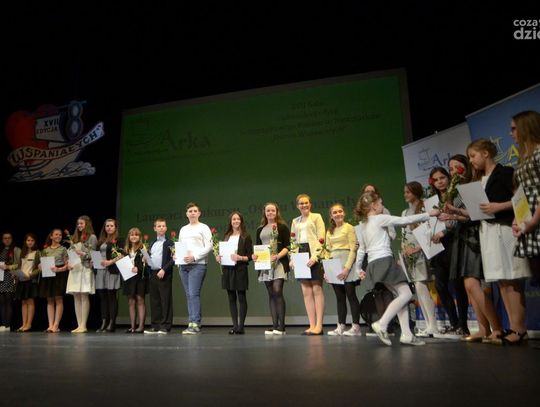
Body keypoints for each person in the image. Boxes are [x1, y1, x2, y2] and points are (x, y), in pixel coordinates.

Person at [355, 191, 439, 346]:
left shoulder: (363, 225)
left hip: (373, 264)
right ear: (373, 206)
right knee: (406, 294)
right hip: (384, 261)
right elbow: (404, 220)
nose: (382, 206)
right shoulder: (379, 218)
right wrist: (429, 214)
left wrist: (358, 268)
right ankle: (382, 324)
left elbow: (361, 249)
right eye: (381, 203)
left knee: (400, 296)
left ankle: (407, 334)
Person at [468, 139, 531, 345]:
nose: (471, 161)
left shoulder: (505, 173)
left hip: (504, 229)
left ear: (486, 153)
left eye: (473, 156)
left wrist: (499, 206)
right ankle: (513, 327)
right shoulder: (480, 180)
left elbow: (521, 199)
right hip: (488, 231)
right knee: (502, 281)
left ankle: (519, 329)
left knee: (511, 279)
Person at [441, 154, 502, 343]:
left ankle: (497, 328)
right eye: (451, 169)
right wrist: (451, 215)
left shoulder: (474, 185)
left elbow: (477, 214)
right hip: (462, 236)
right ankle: (483, 329)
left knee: (472, 284)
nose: (454, 171)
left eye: (457, 167)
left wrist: (456, 213)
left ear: (466, 166)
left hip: (474, 235)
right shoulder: (455, 191)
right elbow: (461, 218)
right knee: (469, 288)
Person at [429, 166, 470, 338]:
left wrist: (444, 232)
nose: (440, 182)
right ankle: (454, 324)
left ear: (448, 178)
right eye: (436, 180)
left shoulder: (457, 196)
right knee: (440, 285)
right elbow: (430, 223)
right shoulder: (432, 201)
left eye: (442, 178)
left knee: (457, 285)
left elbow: (462, 219)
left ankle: (463, 326)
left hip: (454, 242)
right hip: (438, 248)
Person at [400, 182, 438, 337]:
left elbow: (428, 231)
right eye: (405, 192)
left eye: (408, 192)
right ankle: (429, 325)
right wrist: (403, 250)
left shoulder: (424, 208)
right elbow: (404, 234)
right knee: (418, 288)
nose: (405, 195)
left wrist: (417, 248)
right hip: (409, 254)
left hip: (422, 252)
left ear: (415, 192)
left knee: (421, 286)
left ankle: (433, 325)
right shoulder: (404, 212)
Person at [253, 202, 290, 335]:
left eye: (272, 210)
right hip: (264, 264)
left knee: (277, 291)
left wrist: (278, 256)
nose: (270, 213)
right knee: (271, 294)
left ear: (277, 212)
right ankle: (275, 326)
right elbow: (258, 247)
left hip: (279, 262)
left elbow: (288, 246)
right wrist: (254, 256)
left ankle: (282, 327)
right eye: (268, 210)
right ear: (264, 212)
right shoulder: (260, 229)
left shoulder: (282, 227)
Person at [290, 194, 325, 335]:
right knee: (306, 291)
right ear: (297, 206)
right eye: (301, 203)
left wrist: (315, 257)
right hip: (300, 253)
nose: (304, 205)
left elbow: (321, 238)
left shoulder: (316, 217)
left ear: (310, 204)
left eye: (306, 203)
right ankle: (312, 325)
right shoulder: (295, 221)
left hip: (313, 252)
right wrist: (293, 257)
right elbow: (293, 240)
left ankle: (319, 325)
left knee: (316, 288)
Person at [512, 111, 540, 283]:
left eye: (514, 128)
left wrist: (534, 220)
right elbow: (521, 194)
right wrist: (517, 219)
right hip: (529, 223)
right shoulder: (523, 159)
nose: (511, 133)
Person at [325, 203, 361, 336]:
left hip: (347, 263)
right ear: (331, 216)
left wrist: (347, 268)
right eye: (335, 212)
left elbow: (353, 249)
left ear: (344, 213)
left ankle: (356, 327)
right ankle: (340, 326)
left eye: (340, 211)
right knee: (339, 297)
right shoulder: (329, 231)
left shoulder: (349, 227)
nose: (338, 214)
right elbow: (327, 251)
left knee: (351, 295)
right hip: (334, 264)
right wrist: (327, 270)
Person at [215, 212, 253, 334]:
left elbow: (250, 256)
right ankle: (235, 326)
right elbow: (222, 253)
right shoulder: (226, 236)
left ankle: (241, 326)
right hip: (227, 269)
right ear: (230, 222)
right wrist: (218, 257)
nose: (236, 221)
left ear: (241, 221)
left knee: (241, 297)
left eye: (238, 219)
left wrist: (240, 257)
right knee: (231, 298)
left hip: (240, 269)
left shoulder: (246, 236)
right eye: (233, 219)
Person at [178, 203, 212, 335]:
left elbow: (209, 246)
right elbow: (180, 246)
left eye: (195, 211)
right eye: (190, 211)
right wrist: (177, 255)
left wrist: (194, 257)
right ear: (186, 214)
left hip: (198, 264)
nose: (192, 213)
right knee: (188, 295)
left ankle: (196, 323)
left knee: (193, 293)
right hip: (183, 265)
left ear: (199, 213)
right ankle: (191, 322)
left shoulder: (203, 227)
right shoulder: (183, 229)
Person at [66, 215, 97, 333]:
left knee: (84, 296)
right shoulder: (74, 238)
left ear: (87, 224)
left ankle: (84, 325)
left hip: (85, 268)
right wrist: (68, 263)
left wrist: (83, 254)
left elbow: (93, 254)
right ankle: (79, 325)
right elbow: (69, 254)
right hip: (75, 269)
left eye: (81, 223)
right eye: (78, 224)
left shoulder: (92, 237)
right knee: (76, 296)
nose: (79, 225)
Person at [145, 217, 174, 334]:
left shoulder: (169, 242)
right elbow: (151, 257)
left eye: (163, 226)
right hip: (153, 273)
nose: (161, 228)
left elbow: (173, 259)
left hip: (163, 273)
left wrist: (164, 269)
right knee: (155, 299)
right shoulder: (152, 243)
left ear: (166, 228)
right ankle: (155, 325)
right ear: (155, 228)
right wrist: (146, 260)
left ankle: (165, 325)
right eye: (159, 226)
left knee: (165, 299)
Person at [95, 219, 123, 333]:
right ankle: (104, 322)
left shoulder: (118, 240)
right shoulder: (100, 241)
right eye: (107, 226)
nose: (109, 228)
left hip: (112, 270)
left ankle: (112, 323)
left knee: (111, 296)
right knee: (103, 297)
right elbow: (97, 254)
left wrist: (110, 262)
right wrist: (94, 261)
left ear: (115, 227)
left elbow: (122, 254)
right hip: (100, 270)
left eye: (111, 226)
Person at [38, 229, 69, 333]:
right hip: (48, 275)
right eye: (56, 234)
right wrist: (40, 266)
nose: (58, 236)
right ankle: (50, 325)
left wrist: (59, 269)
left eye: (60, 235)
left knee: (58, 299)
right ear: (51, 236)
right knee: (50, 300)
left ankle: (56, 325)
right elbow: (41, 264)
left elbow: (67, 265)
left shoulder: (63, 249)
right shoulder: (45, 250)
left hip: (59, 275)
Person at [123, 227, 148, 333]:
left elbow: (148, 264)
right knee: (131, 301)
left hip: (139, 278)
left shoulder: (143, 248)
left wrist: (139, 268)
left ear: (140, 237)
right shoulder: (125, 250)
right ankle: (132, 327)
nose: (134, 237)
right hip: (129, 278)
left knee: (140, 299)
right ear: (129, 237)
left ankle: (141, 326)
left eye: (136, 235)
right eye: (132, 235)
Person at [14, 233, 40, 332]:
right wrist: (16, 274)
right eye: (28, 240)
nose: (30, 242)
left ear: (35, 242)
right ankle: (23, 323)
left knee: (30, 301)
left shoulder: (37, 253)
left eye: (32, 240)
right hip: (22, 280)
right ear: (25, 242)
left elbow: (39, 268)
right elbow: (19, 266)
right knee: (24, 302)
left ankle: (29, 324)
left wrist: (31, 275)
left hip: (30, 280)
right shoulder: (22, 253)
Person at [0, 232, 21, 332]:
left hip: (10, 277)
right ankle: (3, 324)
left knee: (8, 301)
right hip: (0, 278)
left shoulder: (16, 250)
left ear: (12, 239)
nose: (7, 240)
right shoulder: (1, 250)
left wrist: (8, 267)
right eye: (5, 238)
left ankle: (7, 325)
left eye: (9, 238)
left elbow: (19, 264)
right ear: (2, 240)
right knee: (2, 302)